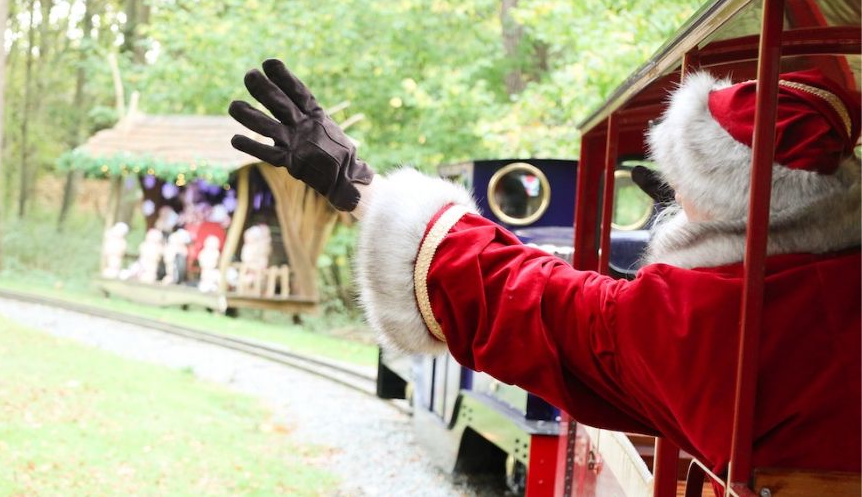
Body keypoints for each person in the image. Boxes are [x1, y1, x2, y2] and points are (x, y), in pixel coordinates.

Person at [228, 60, 861, 476]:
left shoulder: (694, 320)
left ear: (723, 196)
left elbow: (516, 293)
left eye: (681, 178)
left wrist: (356, 186)